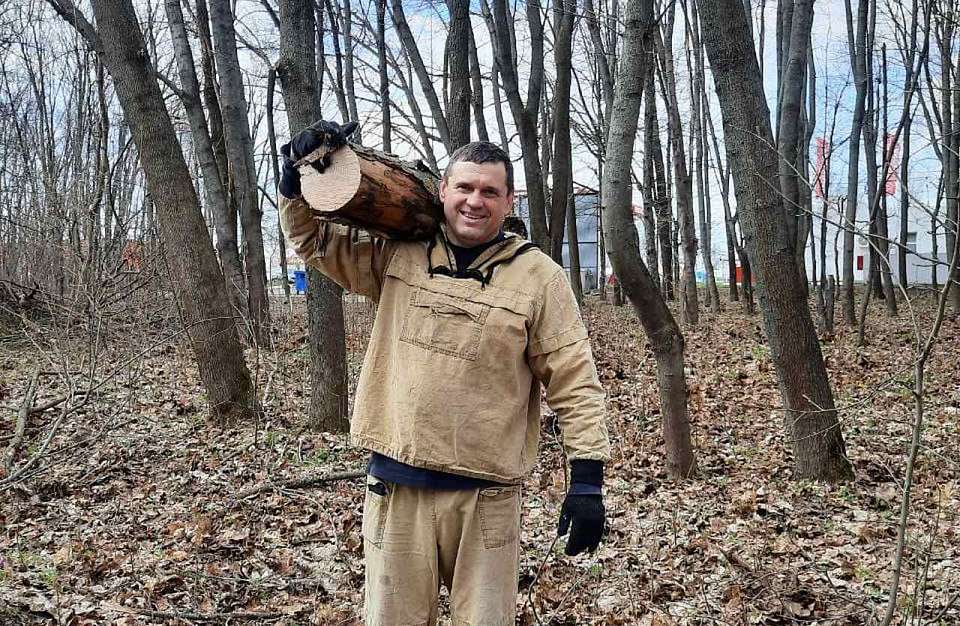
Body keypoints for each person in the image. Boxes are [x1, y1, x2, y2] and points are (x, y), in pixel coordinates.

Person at [278, 120, 610, 626]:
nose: (475, 201)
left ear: (509, 201)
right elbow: (317, 245)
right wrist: (296, 183)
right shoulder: (398, 253)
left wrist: (587, 479)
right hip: (397, 490)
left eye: (489, 191)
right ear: (443, 190)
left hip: (487, 498)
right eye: (465, 187)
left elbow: (574, 378)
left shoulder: (540, 277)